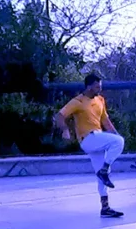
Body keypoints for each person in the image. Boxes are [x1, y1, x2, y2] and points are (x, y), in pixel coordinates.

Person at [54, 72, 125, 218]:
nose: (99, 89)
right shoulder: (77, 102)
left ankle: (105, 208)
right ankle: (104, 170)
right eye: (97, 86)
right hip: (88, 139)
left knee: (102, 174)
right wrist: (65, 130)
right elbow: (60, 115)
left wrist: (115, 134)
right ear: (88, 86)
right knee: (118, 142)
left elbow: (105, 121)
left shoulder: (100, 100)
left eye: (100, 86)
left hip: (98, 138)